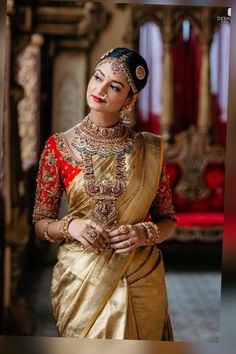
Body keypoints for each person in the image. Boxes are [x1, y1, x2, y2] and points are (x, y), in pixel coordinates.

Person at [32, 47, 176, 340]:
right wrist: (70, 225)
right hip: (80, 278)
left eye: (114, 86)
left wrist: (142, 233)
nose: (100, 89)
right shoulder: (58, 147)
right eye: (98, 77)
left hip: (140, 277)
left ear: (130, 100)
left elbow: (168, 220)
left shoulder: (148, 150)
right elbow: (40, 222)